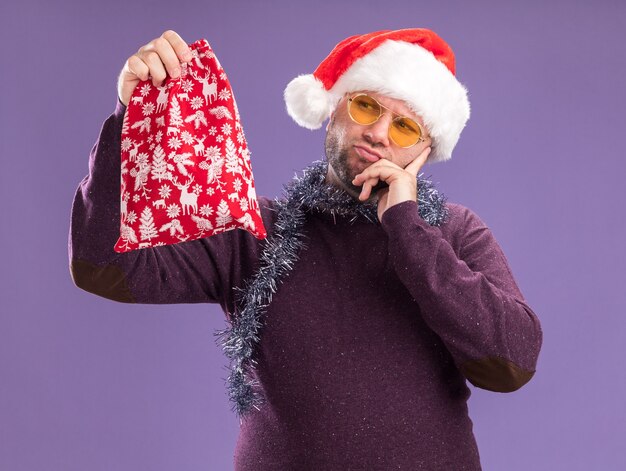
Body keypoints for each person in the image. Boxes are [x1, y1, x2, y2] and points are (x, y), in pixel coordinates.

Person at [69, 28, 543, 470]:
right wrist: (132, 119)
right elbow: (104, 265)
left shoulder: (455, 233)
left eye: (404, 127)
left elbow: (511, 362)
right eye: (364, 107)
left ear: (424, 150)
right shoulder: (254, 232)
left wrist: (408, 227)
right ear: (333, 109)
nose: (378, 133)